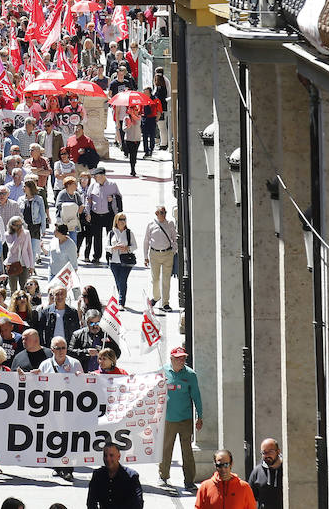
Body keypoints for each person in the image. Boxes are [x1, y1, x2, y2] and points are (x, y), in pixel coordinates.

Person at [159, 345, 203, 489]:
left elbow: (196, 396)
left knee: (187, 451)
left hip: (185, 419)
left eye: (183, 358)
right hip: (168, 419)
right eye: (178, 358)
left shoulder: (190, 374)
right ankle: (163, 477)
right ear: (171, 359)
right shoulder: (163, 371)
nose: (181, 361)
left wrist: (199, 416)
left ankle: (189, 481)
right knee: (166, 449)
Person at [39, 337, 83, 482]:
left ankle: (68, 469)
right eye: (57, 348)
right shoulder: (45, 365)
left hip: (70, 408)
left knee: (68, 438)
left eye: (63, 348)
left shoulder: (75, 363)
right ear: (52, 350)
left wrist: (80, 378)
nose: (61, 351)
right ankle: (57, 466)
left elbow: (83, 386)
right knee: (53, 437)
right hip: (51, 408)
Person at [87, 442, 144, 508]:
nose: (108, 459)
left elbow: (138, 504)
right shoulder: (97, 475)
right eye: (105, 455)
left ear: (118, 456)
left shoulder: (131, 477)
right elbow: (91, 502)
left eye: (111, 455)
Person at [143, 205, 177, 311]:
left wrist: (173, 251)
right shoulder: (151, 225)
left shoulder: (170, 224)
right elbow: (146, 241)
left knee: (166, 280)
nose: (164, 214)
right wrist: (145, 257)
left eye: (165, 212)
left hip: (167, 254)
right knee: (155, 279)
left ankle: (165, 303)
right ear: (156, 214)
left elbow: (175, 238)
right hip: (154, 254)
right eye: (161, 212)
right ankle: (156, 297)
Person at [85, 166, 120, 264]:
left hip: (109, 214)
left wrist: (112, 198)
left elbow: (119, 198)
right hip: (96, 214)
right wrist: (88, 213)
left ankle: (110, 257)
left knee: (110, 237)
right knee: (97, 237)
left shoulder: (112, 185)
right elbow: (88, 200)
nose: (95, 178)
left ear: (102, 176)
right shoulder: (93, 186)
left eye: (96, 176)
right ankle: (96, 256)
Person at [106, 211, 137, 308]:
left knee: (123, 280)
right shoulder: (111, 233)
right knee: (118, 281)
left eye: (124, 219)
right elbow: (106, 247)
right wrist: (113, 248)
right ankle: (121, 297)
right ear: (116, 221)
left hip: (126, 261)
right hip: (114, 261)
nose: (123, 221)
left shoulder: (129, 233)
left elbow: (135, 246)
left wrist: (127, 248)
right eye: (121, 219)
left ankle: (121, 302)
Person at [247, 438, 283, 509]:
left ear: (278, 451)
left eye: (270, 452)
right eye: (264, 453)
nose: (267, 456)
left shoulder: (286, 469)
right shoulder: (257, 472)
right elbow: (249, 498)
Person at [3, 215, 33, 291]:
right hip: (12, 263)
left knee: (24, 288)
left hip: (24, 263)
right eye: (17, 225)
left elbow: (29, 250)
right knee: (13, 288)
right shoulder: (7, 234)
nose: (20, 227)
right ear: (12, 225)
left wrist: (31, 265)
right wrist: (18, 237)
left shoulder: (26, 233)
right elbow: (12, 249)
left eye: (21, 225)